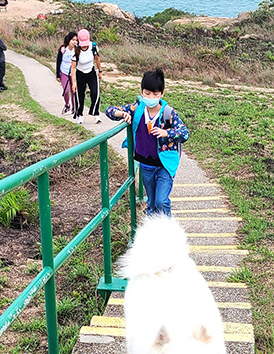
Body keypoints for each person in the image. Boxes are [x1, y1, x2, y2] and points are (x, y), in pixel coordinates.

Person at [105, 68, 188, 214]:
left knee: (161, 201)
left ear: (162, 93)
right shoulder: (137, 109)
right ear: (142, 92)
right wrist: (122, 114)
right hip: (146, 164)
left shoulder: (168, 113)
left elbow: (184, 133)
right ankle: (151, 226)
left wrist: (166, 133)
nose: (151, 97)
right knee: (151, 203)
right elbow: (109, 111)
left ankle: (166, 227)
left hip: (165, 165)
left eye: (155, 94)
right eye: (147, 93)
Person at [70, 28, 101, 122]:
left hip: (91, 72)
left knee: (95, 93)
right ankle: (79, 115)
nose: (84, 46)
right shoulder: (75, 49)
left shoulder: (93, 46)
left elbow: (97, 59)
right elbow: (73, 67)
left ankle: (95, 113)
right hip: (80, 74)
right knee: (80, 95)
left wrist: (100, 71)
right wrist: (73, 82)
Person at [55, 33, 75, 114]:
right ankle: (67, 105)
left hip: (74, 73)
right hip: (64, 72)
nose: (75, 42)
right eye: (73, 40)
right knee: (66, 91)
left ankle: (74, 108)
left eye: (76, 40)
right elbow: (58, 61)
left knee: (74, 91)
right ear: (69, 40)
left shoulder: (77, 50)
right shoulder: (63, 50)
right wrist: (58, 75)